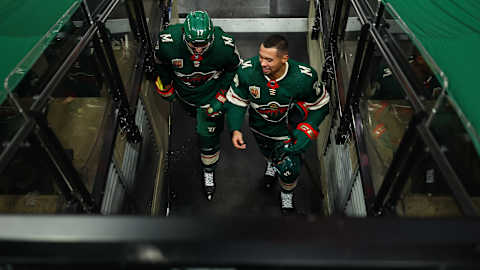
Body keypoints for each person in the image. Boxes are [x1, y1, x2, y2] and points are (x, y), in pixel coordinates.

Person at [225, 34, 329, 213]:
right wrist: (235, 129)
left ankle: (286, 195)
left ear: (284, 58)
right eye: (260, 57)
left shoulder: (304, 77)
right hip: (259, 128)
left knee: (290, 169)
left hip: (287, 133)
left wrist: (306, 130)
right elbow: (237, 100)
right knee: (267, 153)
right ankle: (271, 164)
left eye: (269, 59)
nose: (262, 63)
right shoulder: (247, 71)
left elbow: (321, 105)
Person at [153, 10, 241, 200]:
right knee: (191, 115)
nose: (199, 49)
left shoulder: (225, 45)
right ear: (184, 37)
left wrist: (221, 95)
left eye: (204, 44)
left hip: (209, 99)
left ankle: (208, 170)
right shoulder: (167, 42)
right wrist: (165, 83)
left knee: (208, 138)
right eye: (194, 44)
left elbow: (234, 69)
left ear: (212, 37)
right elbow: (160, 62)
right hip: (184, 96)